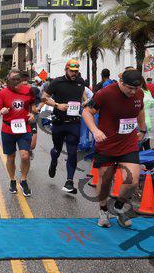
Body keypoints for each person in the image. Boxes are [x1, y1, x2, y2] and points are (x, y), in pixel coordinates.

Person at [82, 69, 147, 229]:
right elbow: (86, 112)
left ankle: (118, 207)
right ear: (121, 82)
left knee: (132, 181)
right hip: (107, 144)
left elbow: (140, 110)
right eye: (130, 88)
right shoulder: (104, 94)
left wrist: (142, 129)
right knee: (105, 181)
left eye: (136, 88)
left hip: (128, 143)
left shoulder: (138, 94)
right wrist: (95, 131)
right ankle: (103, 210)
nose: (133, 92)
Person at [42, 60, 87, 194]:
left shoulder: (80, 82)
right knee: (57, 149)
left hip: (74, 123)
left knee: (72, 152)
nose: (74, 73)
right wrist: (57, 105)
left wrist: (85, 102)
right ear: (66, 70)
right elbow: (44, 98)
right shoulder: (57, 82)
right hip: (59, 122)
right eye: (72, 71)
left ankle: (69, 182)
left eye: (76, 71)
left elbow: (83, 96)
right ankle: (54, 160)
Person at [0, 69, 37, 197]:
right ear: (8, 80)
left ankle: (23, 180)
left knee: (25, 156)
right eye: (13, 79)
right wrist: (1, 112)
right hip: (8, 129)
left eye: (18, 79)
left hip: (24, 129)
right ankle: (12, 180)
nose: (16, 81)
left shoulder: (28, 90)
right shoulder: (3, 93)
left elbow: (33, 106)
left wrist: (32, 114)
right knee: (11, 157)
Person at [21, 73, 43, 160]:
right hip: (20, 120)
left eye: (25, 79)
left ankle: (29, 150)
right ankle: (24, 152)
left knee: (32, 145)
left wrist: (38, 108)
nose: (24, 81)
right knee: (22, 143)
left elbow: (44, 100)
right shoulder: (15, 90)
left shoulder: (34, 90)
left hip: (32, 119)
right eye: (22, 79)